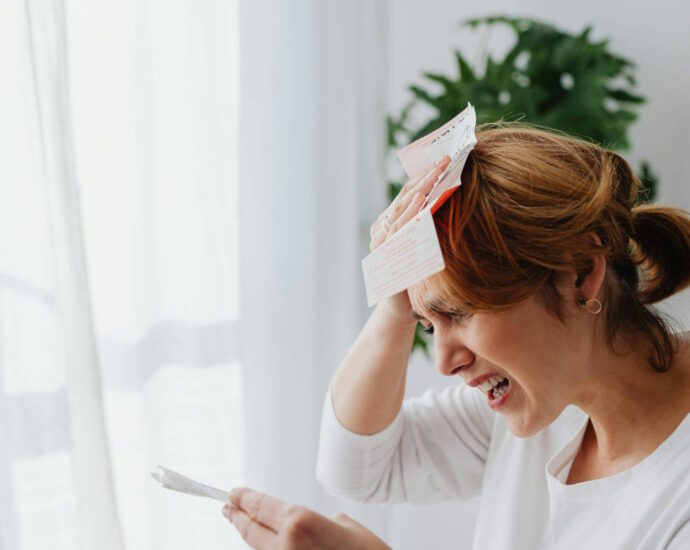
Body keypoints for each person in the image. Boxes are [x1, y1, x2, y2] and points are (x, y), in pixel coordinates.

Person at [224, 125, 690, 549]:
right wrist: (395, 302)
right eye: (428, 323)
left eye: (460, 312)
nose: (444, 362)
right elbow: (355, 467)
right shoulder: (548, 397)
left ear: (581, 273)